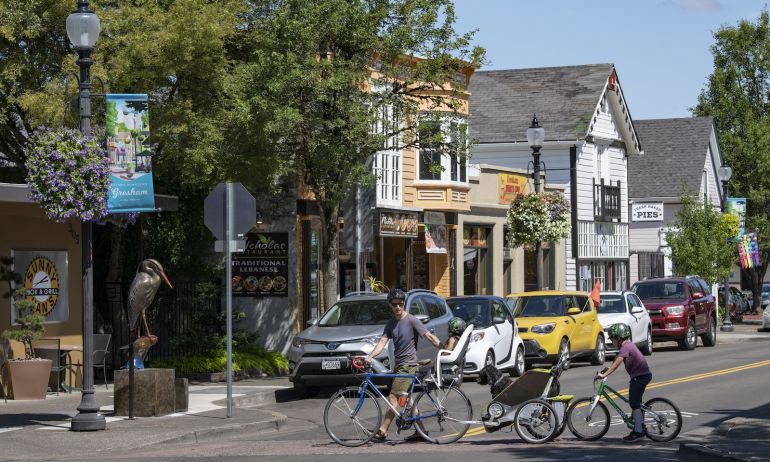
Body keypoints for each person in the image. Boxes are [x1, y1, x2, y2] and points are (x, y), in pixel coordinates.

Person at [366, 288, 441, 442]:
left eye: (401, 304)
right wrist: (369, 357)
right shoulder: (391, 324)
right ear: (390, 305)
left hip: (409, 365)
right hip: (399, 366)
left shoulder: (412, 320)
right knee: (408, 400)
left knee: (393, 398)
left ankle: (382, 431)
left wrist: (444, 348)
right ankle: (421, 431)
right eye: (395, 304)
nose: (398, 307)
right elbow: (381, 343)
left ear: (404, 304)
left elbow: (428, 336)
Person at [598, 323, 652, 442]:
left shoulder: (626, 347)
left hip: (640, 377)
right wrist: (608, 368)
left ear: (618, 337)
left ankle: (638, 431)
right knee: (636, 401)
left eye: (612, 338)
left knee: (634, 403)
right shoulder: (627, 345)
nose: (611, 340)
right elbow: (617, 358)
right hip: (641, 376)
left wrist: (604, 374)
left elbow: (617, 364)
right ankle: (639, 424)